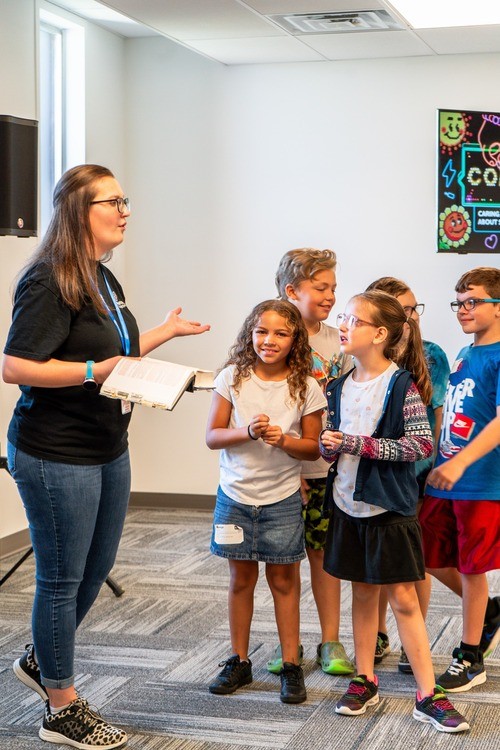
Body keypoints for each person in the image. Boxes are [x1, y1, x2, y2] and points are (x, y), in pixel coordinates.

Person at [2, 164, 210, 748]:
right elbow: (16, 367)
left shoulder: (101, 275)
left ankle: (44, 659)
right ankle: (60, 707)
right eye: (112, 202)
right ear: (78, 211)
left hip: (107, 445)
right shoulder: (49, 280)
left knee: (94, 570)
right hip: (55, 452)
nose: (125, 211)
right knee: (61, 578)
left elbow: (116, 352)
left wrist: (163, 333)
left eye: (125, 200)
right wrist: (95, 370)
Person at [319, 290, 470, 733]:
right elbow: (335, 443)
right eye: (344, 317)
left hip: (388, 508)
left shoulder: (401, 386)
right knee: (363, 592)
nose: (343, 325)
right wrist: (330, 446)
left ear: (380, 334)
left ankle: (427, 694)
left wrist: (354, 444)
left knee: (403, 598)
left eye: (354, 320)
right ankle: (365, 679)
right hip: (347, 504)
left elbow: (420, 445)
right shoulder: (337, 386)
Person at [206, 299, 326, 704]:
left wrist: (284, 440)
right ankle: (239, 661)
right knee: (240, 580)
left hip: (282, 499)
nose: (269, 340)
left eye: (280, 333)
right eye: (261, 331)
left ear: (295, 340)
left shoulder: (306, 386)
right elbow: (212, 437)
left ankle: (290, 664)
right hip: (235, 497)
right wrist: (248, 432)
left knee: (284, 582)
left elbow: (313, 448)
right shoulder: (231, 378)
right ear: (249, 334)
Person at [267, 248, 354, 676]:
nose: (331, 296)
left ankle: (330, 639)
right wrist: (292, 468)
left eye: (333, 288)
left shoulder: (340, 341)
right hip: (283, 472)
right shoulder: (273, 339)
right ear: (291, 291)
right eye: (321, 288)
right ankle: (290, 643)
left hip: (326, 470)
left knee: (323, 556)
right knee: (283, 562)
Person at [365, 276, 450, 674]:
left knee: (414, 559)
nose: (412, 316)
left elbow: (437, 417)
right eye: (404, 310)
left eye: (415, 308)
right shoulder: (367, 355)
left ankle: (411, 642)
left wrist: (434, 465)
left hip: (416, 471)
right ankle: (379, 633)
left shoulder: (431, 354)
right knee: (378, 558)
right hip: (376, 471)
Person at [422, 267, 500, 692]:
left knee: (472, 567)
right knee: (427, 553)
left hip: (480, 482)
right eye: (459, 303)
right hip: (445, 477)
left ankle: (470, 657)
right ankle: (488, 612)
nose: (463, 310)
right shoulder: (465, 353)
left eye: (473, 301)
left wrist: (459, 463)